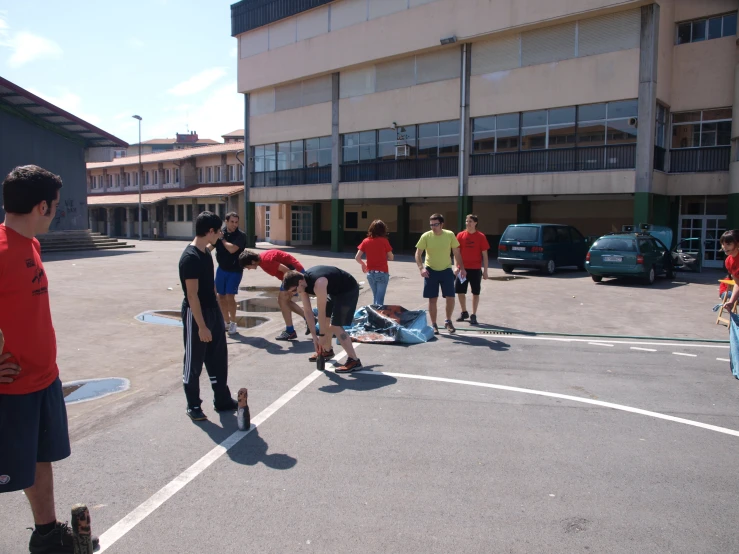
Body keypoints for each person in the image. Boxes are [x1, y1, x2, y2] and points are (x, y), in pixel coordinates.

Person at [0, 165, 100, 552]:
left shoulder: (33, 245)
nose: (56, 212)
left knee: (40, 459)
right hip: (11, 390)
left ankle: (46, 536)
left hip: (43, 380)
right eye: (55, 206)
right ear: (42, 207)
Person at [179, 211, 238, 421]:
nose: (221, 234)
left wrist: (219, 318)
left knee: (218, 358)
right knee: (194, 362)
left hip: (212, 312)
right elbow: (192, 296)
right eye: (219, 231)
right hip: (197, 315)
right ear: (210, 231)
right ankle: (193, 405)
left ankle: (221, 400)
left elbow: (210, 288)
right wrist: (202, 326)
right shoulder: (190, 258)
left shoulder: (205, 253)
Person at [282, 267, 362, 373]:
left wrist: (322, 336)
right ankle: (327, 350)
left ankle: (354, 360)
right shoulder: (301, 285)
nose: (293, 293)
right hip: (334, 291)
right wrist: (314, 337)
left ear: (300, 282)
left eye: (293, 290)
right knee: (325, 320)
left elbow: (321, 311)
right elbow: (308, 312)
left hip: (348, 289)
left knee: (335, 325)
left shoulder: (319, 283)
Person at [239, 249, 308, 341]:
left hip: (295, 275)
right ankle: (308, 318)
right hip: (294, 274)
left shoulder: (266, 261)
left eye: (247, 266)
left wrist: (291, 287)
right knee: (283, 301)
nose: (248, 269)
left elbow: (286, 271)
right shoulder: (263, 260)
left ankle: (291, 330)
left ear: (252, 262)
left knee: (282, 300)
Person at [415, 213, 466, 334]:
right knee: (432, 299)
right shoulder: (426, 236)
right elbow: (418, 253)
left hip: (446, 270)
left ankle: (448, 321)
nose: (433, 227)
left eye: (436, 224)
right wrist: (421, 268)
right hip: (430, 271)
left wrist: (460, 267)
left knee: (450, 297)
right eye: (431, 224)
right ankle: (434, 325)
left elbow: (456, 253)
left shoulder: (449, 235)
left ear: (442, 224)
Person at [213, 212, 246, 335]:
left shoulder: (241, 235)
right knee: (220, 296)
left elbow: (232, 249)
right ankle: (225, 322)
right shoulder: (220, 233)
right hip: (221, 269)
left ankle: (233, 322)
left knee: (230, 296)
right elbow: (210, 246)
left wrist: (222, 239)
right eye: (232, 222)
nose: (234, 224)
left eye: (236, 222)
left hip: (235, 270)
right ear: (226, 221)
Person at [454, 214, 490, 325]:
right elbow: (456, 253)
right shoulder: (460, 235)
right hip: (462, 270)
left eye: (470, 221)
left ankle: (473, 315)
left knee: (475, 292)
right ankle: (464, 312)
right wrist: (456, 266)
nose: (468, 223)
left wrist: (485, 271)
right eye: (466, 221)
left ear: (475, 223)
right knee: (460, 291)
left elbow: (485, 255)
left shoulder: (481, 236)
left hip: (475, 269)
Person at [355, 219, 394, 306]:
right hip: (382, 273)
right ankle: (377, 317)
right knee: (379, 299)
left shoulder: (366, 241)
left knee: (375, 297)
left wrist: (363, 264)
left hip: (370, 273)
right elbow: (391, 257)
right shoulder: (384, 241)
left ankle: (373, 315)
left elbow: (357, 257)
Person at [721, 230, 739, 313]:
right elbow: (737, 283)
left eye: (728, 244)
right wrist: (731, 302)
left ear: (737, 244)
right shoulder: (728, 261)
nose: (724, 247)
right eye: (723, 244)